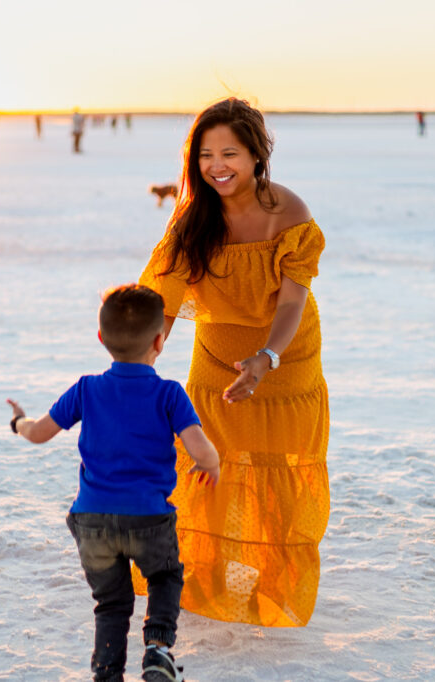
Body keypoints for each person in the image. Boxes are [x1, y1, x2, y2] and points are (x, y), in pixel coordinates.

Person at [136, 97, 329, 628]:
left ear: (256, 155)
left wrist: (267, 356)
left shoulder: (288, 213)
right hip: (216, 357)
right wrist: (142, 360)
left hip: (285, 357)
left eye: (230, 154)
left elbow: (292, 300)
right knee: (205, 465)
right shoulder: (194, 217)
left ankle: (274, 582)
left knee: (274, 467)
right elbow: (166, 298)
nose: (217, 166)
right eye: (205, 155)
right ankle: (203, 577)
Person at [7, 283, 220, 682]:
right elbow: (200, 449)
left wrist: (18, 421)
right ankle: (157, 650)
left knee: (111, 602)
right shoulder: (169, 394)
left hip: (92, 520)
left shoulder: (86, 389)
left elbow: (38, 433)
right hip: (149, 518)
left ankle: (107, 672)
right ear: (160, 340)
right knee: (164, 576)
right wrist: (214, 464)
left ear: (102, 338)